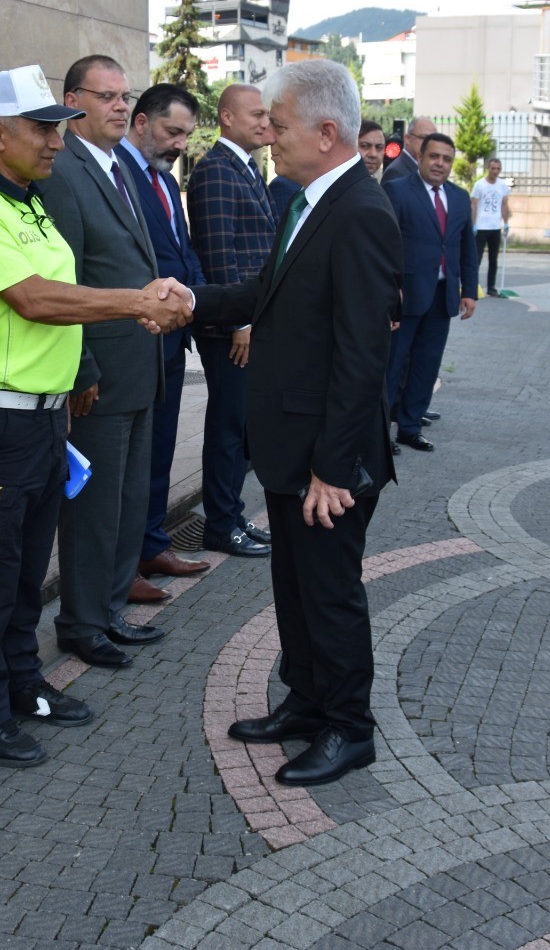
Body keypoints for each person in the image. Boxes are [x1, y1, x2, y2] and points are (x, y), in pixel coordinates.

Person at [0, 65, 192, 766]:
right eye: (42, 128)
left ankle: (21, 683)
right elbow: (36, 299)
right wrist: (138, 301)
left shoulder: (32, 202)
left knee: (25, 571)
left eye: (57, 127)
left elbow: (68, 293)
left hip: (47, 420)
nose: (55, 141)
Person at [192, 59, 402, 786]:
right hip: (291, 445)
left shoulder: (362, 213)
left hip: (327, 461)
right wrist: (191, 303)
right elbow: (264, 291)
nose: (269, 140)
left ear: (325, 130)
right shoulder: (305, 199)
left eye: (277, 128)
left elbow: (361, 355)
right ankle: (307, 703)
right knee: (295, 586)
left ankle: (350, 728)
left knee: (331, 594)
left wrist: (332, 468)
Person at [35, 55, 169, 669]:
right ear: (73, 100)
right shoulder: (64, 172)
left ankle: (110, 609)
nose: (120, 106)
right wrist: (82, 367)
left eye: (125, 95)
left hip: (140, 365)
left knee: (127, 500)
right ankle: (82, 622)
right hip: (100, 374)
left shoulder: (119, 168)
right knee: (93, 508)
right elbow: (68, 279)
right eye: (106, 95)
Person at [117, 83, 213, 590]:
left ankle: (152, 546)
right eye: (172, 131)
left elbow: (181, 249)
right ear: (141, 122)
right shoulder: (119, 173)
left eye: (186, 135)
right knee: (132, 458)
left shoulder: (161, 179)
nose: (180, 144)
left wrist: (201, 303)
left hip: (172, 340)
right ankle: (125, 563)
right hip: (136, 337)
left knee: (160, 446)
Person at [187, 83, 277, 560]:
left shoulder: (245, 166)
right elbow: (219, 256)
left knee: (241, 428)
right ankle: (220, 524)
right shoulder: (217, 172)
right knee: (228, 427)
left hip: (248, 324)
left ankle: (232, 512)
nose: (266, 122)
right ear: (226, 117)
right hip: (230, 330)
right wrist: (240, 322)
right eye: (257, 114)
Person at [382, 133, 479, 453]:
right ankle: (379, 432)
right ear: (421, 157)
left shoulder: (460, 197)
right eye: (434, 157)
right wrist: (392, 288)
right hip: (406, 296)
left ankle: (410, 428)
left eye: (446, 159)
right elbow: (388, 245)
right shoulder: (396, 190)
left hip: (443, 296)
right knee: (392, 367)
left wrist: (469, 291)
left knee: (427, 365)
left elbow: (467, 247)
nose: (440, 163)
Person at [470, 157, 511, 296]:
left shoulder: (502, 185)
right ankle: (473, 286)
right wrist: (473, 224)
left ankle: (491, 287)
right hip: (481, 226)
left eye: (498, 169)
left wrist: (505, 222)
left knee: (494, 259)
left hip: (495, 226)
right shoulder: (479, 185)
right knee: (477, 259)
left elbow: (504, 204)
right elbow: (473, 205)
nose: (495, 171)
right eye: (493, 168)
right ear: (488, 168)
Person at [382, 115, 436, 181]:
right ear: (408, 138)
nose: (429, 144)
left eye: (433, 139)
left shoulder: (427, 169)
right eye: (423, 138)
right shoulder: (395, 172)